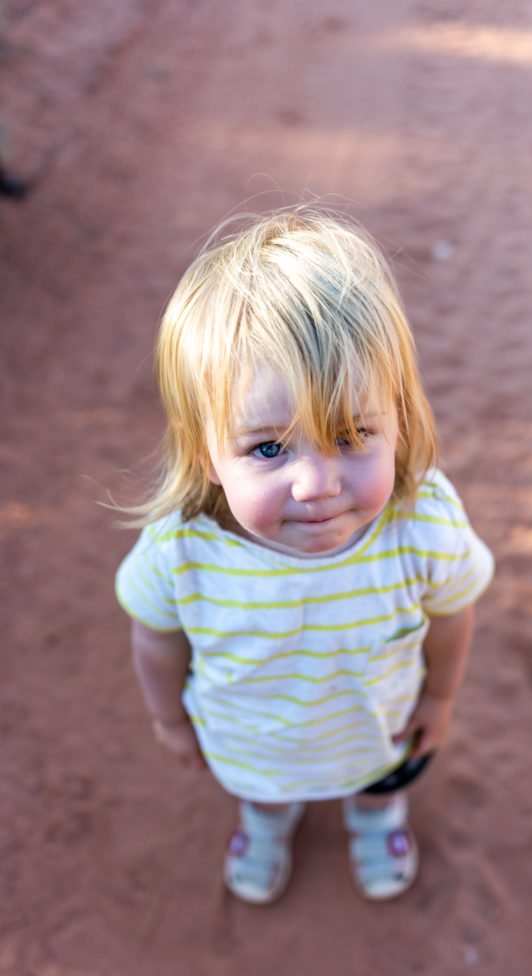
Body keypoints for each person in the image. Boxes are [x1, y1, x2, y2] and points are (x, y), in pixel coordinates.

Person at [115, 207, 494, 904]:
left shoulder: (422, 522)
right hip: (254, 744)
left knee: (385, 782)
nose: (317, 485)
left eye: (352, 434)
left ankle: (376, 819)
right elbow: (155, 637)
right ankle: (267, 821)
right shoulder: (181, 548)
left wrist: (439, 696)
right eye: (268, 448)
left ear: (398, 421)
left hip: (378, 730)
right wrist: (170, 718)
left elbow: (452, 612)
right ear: (208, 454)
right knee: (262, 791)